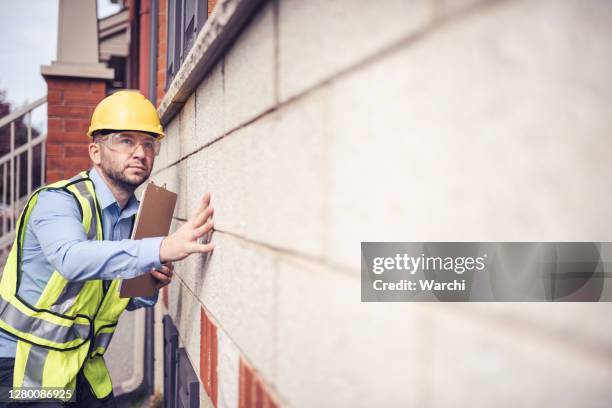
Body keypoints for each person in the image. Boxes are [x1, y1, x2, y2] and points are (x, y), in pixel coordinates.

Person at [0, 90, 214, 407]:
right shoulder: (57, 201)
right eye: (126, 141)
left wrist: (149, 281)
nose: (140, 153)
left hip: (82, 365)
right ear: (96, 152)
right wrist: (160, 248)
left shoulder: (131, 216)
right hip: (25, 367)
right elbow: (71, 260)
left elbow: (121, 298)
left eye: (148, 144)